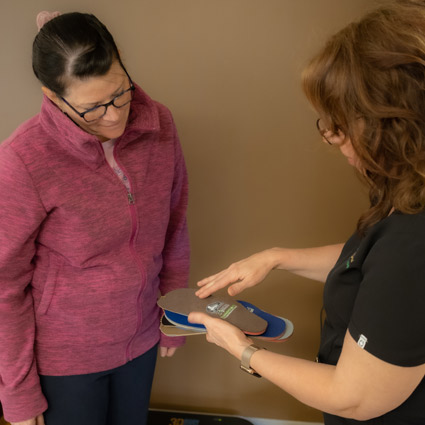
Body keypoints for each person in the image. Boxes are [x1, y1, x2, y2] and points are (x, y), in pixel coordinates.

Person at [188, 1, 425, 424]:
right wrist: (277, 257)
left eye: (342, 124)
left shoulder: (414, 242)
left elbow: (353, 397)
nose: (331, 138)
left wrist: (242, 348)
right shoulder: (403, 189)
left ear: (395, 122)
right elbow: (370, 265)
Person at [0, 11, 189, 425]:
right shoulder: (23, 159)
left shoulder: (160, 125)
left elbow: (174, 227)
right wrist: (17, 392)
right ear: (52, 96)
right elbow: (4, 285)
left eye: (120, 93)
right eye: (92, 108)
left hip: (140, 339)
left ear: (121, 59)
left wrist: (177, 314)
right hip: (65, 358)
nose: (114, 116)